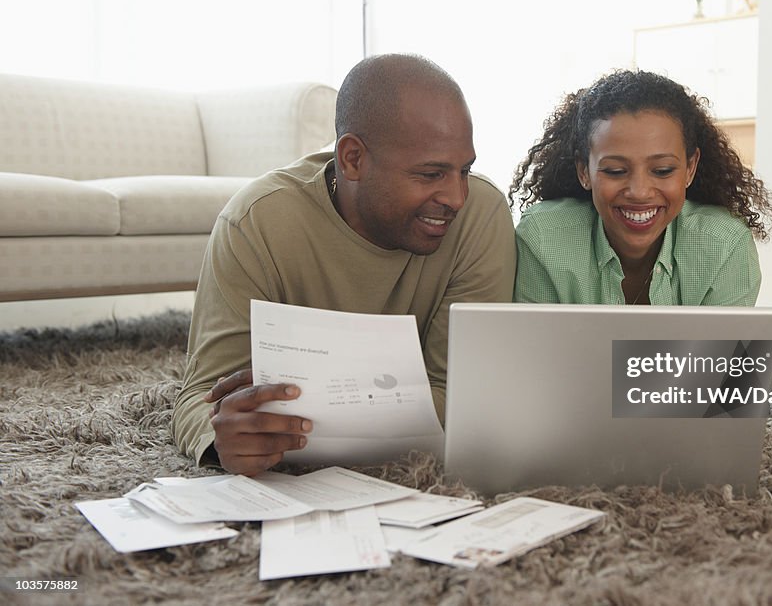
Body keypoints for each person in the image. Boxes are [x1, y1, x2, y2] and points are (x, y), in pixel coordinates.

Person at [172, 54, 517, 475]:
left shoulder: (480, 215)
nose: (456, 197)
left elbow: (462, 395)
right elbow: (203, 396)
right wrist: (221, 435)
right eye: (430, 174)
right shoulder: (255, 224)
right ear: (352, 158)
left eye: (464, 170)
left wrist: (308, 408)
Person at [509, 69, 772, 307]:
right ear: (584, 171)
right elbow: (535, 360)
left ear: (690, 168)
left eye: (662, 170)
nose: (640, 192)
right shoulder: (543, 239)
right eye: (615, 171)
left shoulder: (724, 246)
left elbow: (722, 365)